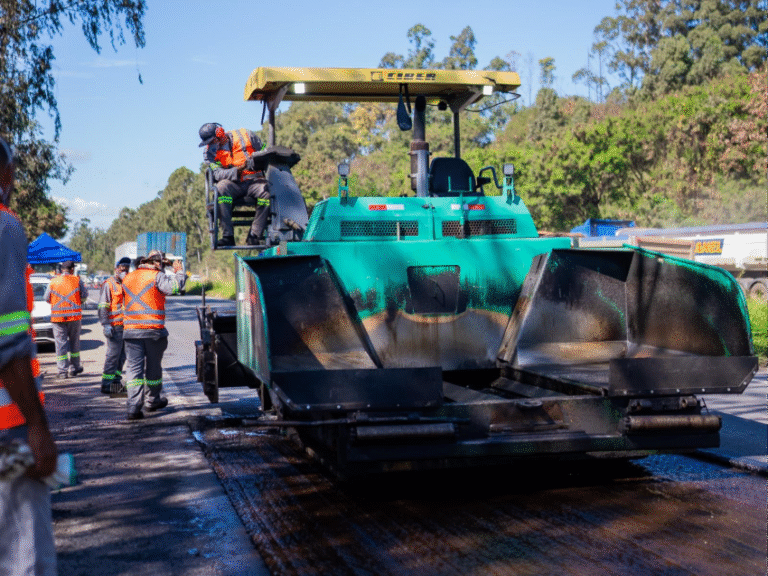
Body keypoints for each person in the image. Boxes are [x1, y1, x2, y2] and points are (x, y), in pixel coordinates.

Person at [0, 136, 58, 575]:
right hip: (8, 430)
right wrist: (36, 426)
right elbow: (7, 341)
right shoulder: (4, 228)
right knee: (23, 555)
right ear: (5, 175)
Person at [122, 250, 186, 420]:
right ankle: (152, 401)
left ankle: (133, 408)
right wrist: (179, 273)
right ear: (157, 263)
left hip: (131, 332)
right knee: (153, 368)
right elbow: (173, 288)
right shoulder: (156, 276)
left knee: (133, 371)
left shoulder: (128, 277)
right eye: (162, 264)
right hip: (152, 331)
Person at [199, 122, 270, 247]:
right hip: (233, 184)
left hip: (254, 180)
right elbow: (217, 174)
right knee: (220, 189)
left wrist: (255, 161)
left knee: (267, 192)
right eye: (208, 143)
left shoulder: (246, 135)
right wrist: (237, 171)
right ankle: (228, 236)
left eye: (212, 141)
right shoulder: (209, 153)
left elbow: (265, 152)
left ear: (220, 133)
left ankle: (255, 235)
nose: (210, 144)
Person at [44, 260, 88, 379]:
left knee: (60, 345)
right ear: (72, 269)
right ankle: (75, 368)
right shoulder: (77, 280)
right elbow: (84, 296)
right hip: (74, 317)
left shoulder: (53, 281)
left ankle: (62, 371)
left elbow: (46, 298)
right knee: (75, 343)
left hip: (58, 318)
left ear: (61, 269)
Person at [98, 257, 131, 395]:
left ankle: (116, 381)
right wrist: (105, 324)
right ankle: (106, 384)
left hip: (127, 326)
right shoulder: (109, 284)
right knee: (113, 355)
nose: (124, 271)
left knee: (122, 356)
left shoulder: (128, 284)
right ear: (116, 269)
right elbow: (102, 306)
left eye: (126, 269)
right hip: (115, 326)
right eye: (122, 268)